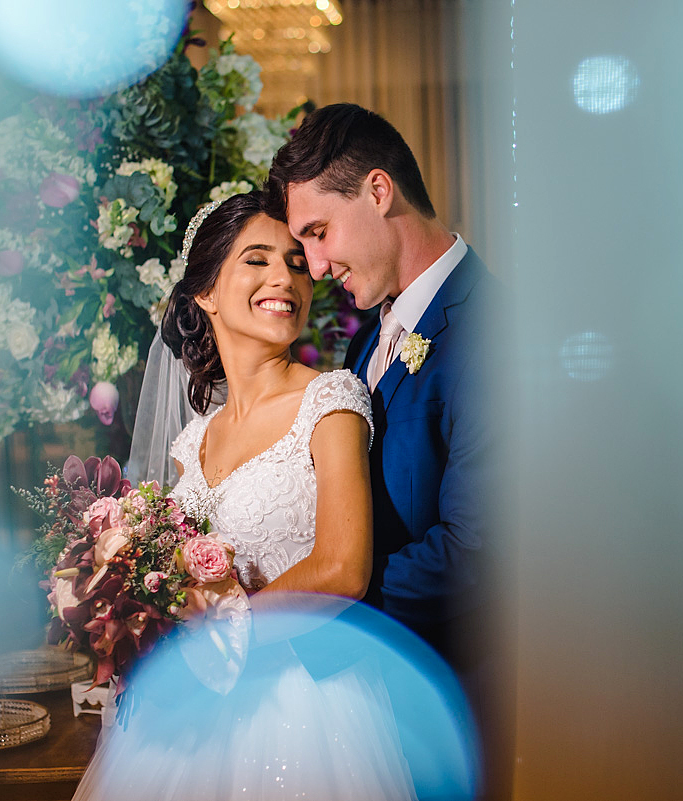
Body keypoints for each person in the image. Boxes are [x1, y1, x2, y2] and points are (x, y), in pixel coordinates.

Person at [74, 190, 419, 800]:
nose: (282, 278)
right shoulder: (191, 442)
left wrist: (211, 637)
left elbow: (342, 570)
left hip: (309, 706)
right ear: (204, 292)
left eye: (294, 261)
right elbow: (174, 578)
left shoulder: (331, 401)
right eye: (256, 259)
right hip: (200, 711)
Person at [267, 103, 508, 799]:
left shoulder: (491, 328)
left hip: (445, 707)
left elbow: (476, 550)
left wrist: (314, 605)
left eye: (318, 232)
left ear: (379, 191)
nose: (313, 265)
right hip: (373, 713)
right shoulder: (371, 336)